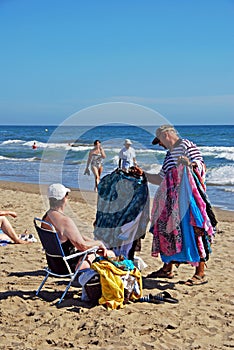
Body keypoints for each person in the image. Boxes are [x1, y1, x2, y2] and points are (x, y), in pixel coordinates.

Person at [145, 124, 216, 286]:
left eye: (160, 141)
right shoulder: (169, 155)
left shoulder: (186, 145)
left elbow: (200, 165)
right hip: (171, 201)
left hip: (188, 199)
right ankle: (167, 268)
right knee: (166, 230)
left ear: (166, 135)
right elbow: (161, 178)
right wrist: (143, 174)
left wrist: (189, 164)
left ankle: (200, 272)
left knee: (193, 229)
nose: (161, 145)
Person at [42, 183, 115, 270]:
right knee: (110, 254)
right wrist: (99, 244)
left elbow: (76, 237)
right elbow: (82, 246)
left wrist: (94, 243)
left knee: (97, 250)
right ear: (64, 199)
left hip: (54, 265)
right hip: (67, 266)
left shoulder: (47, 217)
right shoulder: (65, 221)